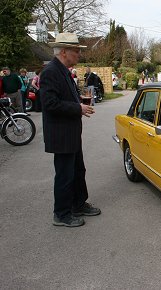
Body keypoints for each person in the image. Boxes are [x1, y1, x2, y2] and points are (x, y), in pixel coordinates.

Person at [40, 32, 100, 227]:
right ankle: (62, 213)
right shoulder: (50, 72)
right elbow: (49, 104)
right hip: (61, 134)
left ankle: (78, 204)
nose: (79, 55)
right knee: (65, 174)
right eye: (76, 51)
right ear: (64, 51)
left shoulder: (63, 70)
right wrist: (78, 108)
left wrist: (78, 105)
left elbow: (64, 99)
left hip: (71, 132)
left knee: (77, 170)